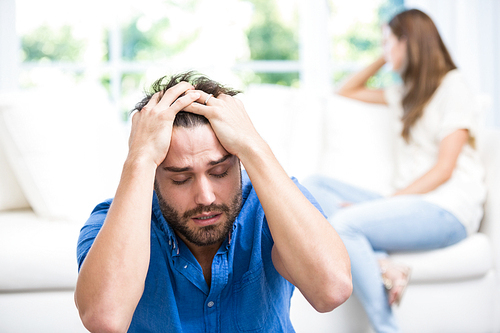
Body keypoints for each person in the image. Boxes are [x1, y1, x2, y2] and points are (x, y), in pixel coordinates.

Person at [74, 72, 352, 332]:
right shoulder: (110, 221)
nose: (205, 197)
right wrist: (139, 159)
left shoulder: (272, 206)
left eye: (220, 172)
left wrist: (253, 146)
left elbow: (331, 290)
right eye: (181, 179)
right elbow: (104, 319)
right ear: (154, 177)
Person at [303, 8, 486, 333]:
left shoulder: (453, 86)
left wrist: (378, 206)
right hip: (408, 201)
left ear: (410, 42)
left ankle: (386, 328)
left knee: (344, 224)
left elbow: (444, 169)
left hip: (447, 209)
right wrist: (384, 57)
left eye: (388, 42)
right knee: (313, 185)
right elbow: (345, 90)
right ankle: (383, 263)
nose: (385, 49)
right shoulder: (406, 92)